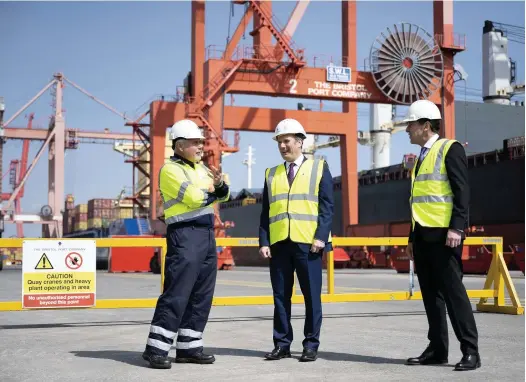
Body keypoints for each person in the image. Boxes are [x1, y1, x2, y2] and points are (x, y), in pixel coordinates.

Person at [142, 119, 229, 369]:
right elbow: (193, 198)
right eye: (195, 143)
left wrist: (219, 186)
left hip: (206, 234)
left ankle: (189, 348)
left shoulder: (201, 169)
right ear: (180, 146)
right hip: (184, 235)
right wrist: (213, 192)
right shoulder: (170, 170)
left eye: (201, 142)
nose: (201, 147)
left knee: (202, 294)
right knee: (177, 293)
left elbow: (224, 194)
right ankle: (155, 349)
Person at [402, 100, 481, 371]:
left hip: (446, 236)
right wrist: (411, 238)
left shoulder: (450, 149)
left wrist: (457, 228)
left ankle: (471, 350)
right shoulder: (421, 157)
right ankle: (437, 349)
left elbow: (462, 191)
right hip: (423, 236)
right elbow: (418, 201)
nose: (406, 130)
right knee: (431, 296)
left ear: (426, 126)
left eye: (410, 125)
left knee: (454, 295)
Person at [258, 118, 334, 362]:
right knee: (280, 297)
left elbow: (327, 207)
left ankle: (310, 345)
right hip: (279, 244)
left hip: (308, 244)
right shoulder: (271, 174)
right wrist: (264, 241)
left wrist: (321, 238)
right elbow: (266, 212)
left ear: (300, 142)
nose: (282, 146)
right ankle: (282, 344)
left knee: (312, 297)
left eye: (286, 141)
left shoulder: (319, 168)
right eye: (279, 141)